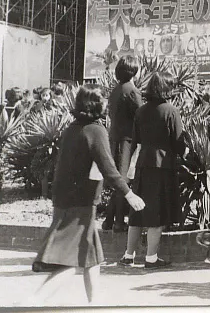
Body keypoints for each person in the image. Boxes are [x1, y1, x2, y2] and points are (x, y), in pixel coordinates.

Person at [28, 85, 146, 306]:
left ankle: (95, 302)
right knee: (70, 264)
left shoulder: (73, 128)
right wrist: (129, 194)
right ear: (98, 106)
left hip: (67, 200)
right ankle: (32, 302)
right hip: (80, 203)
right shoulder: (96, 130)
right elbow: (109, 169)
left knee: (91, 258)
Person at [121, 72, 186, 269]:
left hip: (143, 163)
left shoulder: (140, 111)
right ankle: (151, 258)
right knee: (156, 213)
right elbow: (178, 141)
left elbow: (136, 138)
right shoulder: (171, 111)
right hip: (162, 166)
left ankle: (128, 255)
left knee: (137, 212)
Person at [104, 54, 143, 231]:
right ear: (134, 71)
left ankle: (109, 219)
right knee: (124, 180)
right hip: (128, 140)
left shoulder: (116, 90)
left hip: (114, 138)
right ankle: (119, 221)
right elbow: (140, 116)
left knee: (117, 179)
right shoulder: (132, 91)